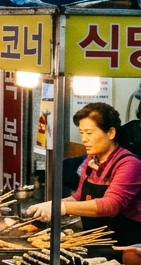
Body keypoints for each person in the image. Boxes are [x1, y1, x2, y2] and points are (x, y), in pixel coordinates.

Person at [29, 102, 141, 245]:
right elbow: (79, 197)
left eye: (89, 133)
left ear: (111, 133)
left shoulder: (129, 164)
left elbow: (111, 205)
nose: (84, 139)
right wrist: (50, 205)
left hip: (125, 245)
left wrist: (60, 208)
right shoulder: (92, 160)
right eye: (82, 133)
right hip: (97, 241)